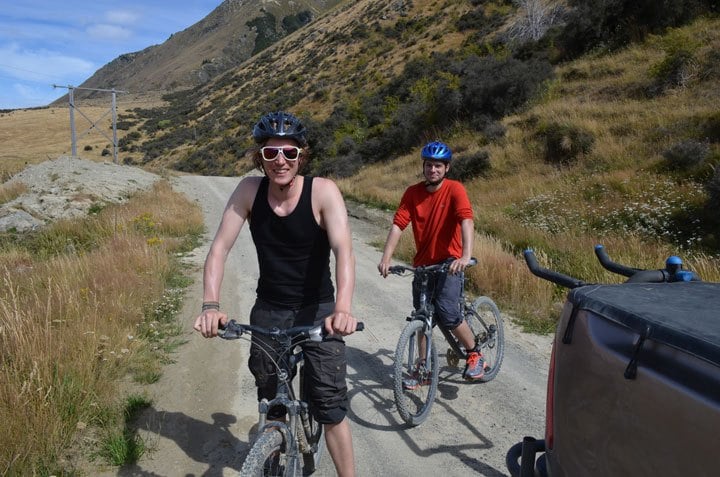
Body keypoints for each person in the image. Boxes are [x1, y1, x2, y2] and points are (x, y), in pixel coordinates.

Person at [194, 111, 358, 477]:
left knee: (330, 407)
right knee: (271, 404)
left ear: (301, 155)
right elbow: (219, 248)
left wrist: (343, 309)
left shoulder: (323, 191)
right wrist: (210, 305)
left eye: (288, 152)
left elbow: (344, 251)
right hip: (270, 309)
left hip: (319, 309)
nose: (280, 160)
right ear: (260, 159)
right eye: (270, 154)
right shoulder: (249, 191)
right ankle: (271, 455)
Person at [377, 140, 486, 384]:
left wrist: (465, 256)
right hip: (423, 265)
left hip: (450, 263)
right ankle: (422, 370)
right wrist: (386, 258)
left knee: (447, 313)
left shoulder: (455, 189)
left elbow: (466, 221)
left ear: (446, 168)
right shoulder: (412, 193)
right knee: (422, 316)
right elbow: (398, 225)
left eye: (438, 166)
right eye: (429, 165)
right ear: (423, 167)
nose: (433, 170)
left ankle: (475, 354)